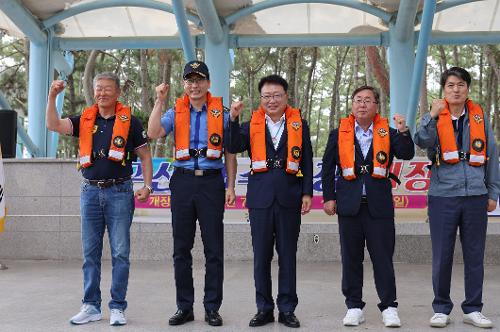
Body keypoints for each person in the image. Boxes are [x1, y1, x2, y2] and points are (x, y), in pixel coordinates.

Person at [46, 72, 153, 326]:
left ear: (117, 93)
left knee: (120, 253)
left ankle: (117, 306)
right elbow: (53, 125)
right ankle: (91, 306)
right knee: (90, 253)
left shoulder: (132, 122)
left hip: (120, 191)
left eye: (107, 89)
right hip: (90, 192)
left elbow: (146, 156)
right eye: (98, 89)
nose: (102, 93)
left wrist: (147, 186)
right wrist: (52, 96)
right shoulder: (84, 119)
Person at [147, 60, 236, 327]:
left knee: (214, 250)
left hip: (211, 183)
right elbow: (153, 133)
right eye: (189, 80)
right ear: (184, 84)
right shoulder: (176, 111)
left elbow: (231, 154)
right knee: (181, 249)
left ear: (208, 83)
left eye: (199, 80)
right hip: (183, 182)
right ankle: (184, 307)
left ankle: (212, 307)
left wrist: (230, 186)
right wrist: (159, 101)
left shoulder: (222, 112)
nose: (194, 85)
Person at [414, 66, 500, 329]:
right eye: (450, 85)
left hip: (475, 194)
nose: (456, 89)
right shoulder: (433, 117)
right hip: (443, 195)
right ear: (444, 89)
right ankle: (441, 307)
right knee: (442, 255)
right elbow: (421, 140)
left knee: (475, 254)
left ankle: (473, 309)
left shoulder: (479, 117)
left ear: (467, 89)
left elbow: (492, 155)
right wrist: (431, 114)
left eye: (461, 85)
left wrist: (493, 191)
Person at [322, 86, 414, 328]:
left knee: (383, 257)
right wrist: (329, 197)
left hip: (379, 206)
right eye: (358, 100)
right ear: (352, 105)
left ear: (376, 107)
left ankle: (389, 307)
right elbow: (328, 166)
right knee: (350, 258)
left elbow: (406, 153)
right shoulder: (338, 133)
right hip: (349, 205)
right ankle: (353, 306)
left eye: (368, 101)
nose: (362, 104)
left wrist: (404, 131)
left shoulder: (390, 132)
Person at [229, 74, 313, 328]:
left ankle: (287, 309)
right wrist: (232, 119)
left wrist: (307, 193)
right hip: (260, 199)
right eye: (267, 96)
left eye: (277, 95)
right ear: (261, 99)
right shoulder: (249, 124)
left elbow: (307, 161)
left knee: (288, 256)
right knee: (261, 257)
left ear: (286, 97)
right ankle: (264, 308)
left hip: (290, 197)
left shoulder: (299, 123)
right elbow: (232, 145)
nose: (272, 100)